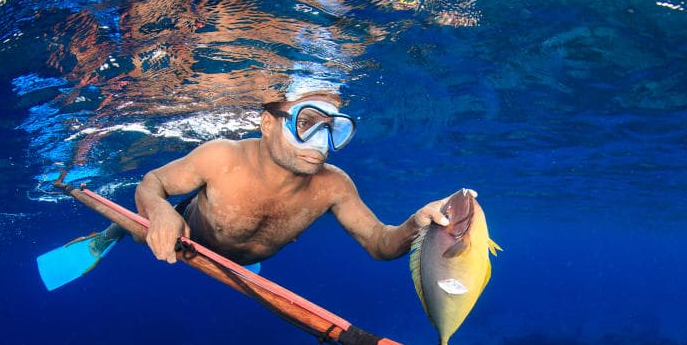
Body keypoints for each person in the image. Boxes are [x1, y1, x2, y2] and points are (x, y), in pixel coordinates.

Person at [134, 89, 455, 268]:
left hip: (245, 262)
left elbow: (379, 244)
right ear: (267, 123)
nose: (319, 144)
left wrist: (415, 224)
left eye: (330, 128)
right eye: (306, 122)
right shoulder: (221, 157)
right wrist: (160, 211)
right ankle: (114, 232)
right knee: (143, 229)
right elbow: (153, 182)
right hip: (191, 234)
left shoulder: (333, 186)